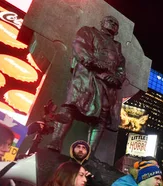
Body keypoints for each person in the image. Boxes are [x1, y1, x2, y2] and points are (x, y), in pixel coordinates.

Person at [49, 16, 126, 151]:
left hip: (107, 84)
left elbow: (121, 67)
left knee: (102, 117)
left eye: (116, 24)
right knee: (72, 106)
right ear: (102, 23)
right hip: (86, 76)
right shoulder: (89, 32)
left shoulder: (117, 48)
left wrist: (117, 79)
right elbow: (80, 47)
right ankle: (56, 141)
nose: (113, 24)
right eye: (110, 21)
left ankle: (90, 154)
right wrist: (93, 62)